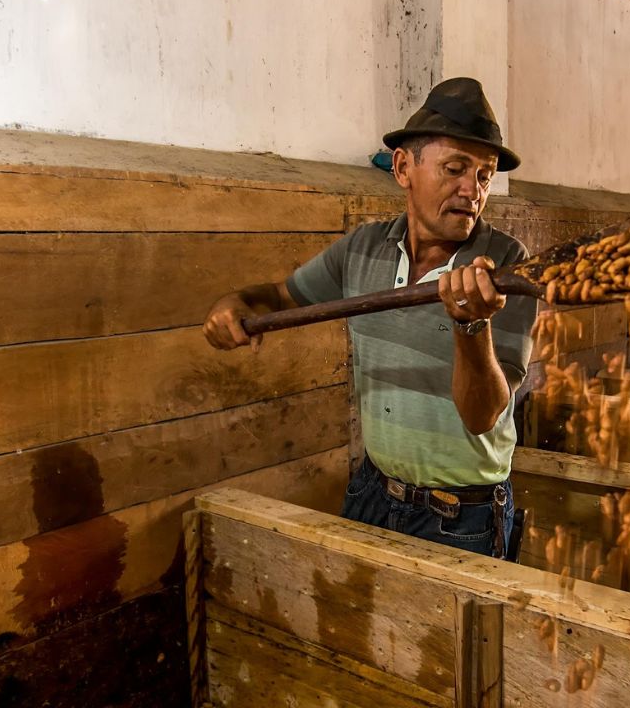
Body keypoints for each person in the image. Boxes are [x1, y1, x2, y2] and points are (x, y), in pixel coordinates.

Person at [202, 78, 537, 559]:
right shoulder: (362, 249)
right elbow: (278, 297)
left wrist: (471, 325)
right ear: (404, 167)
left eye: (484, 175)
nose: (473, 189)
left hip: (462, 516)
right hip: (373, 494)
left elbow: (482, 416)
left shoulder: (505, 267)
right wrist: (232, 303)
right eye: (455, 168)